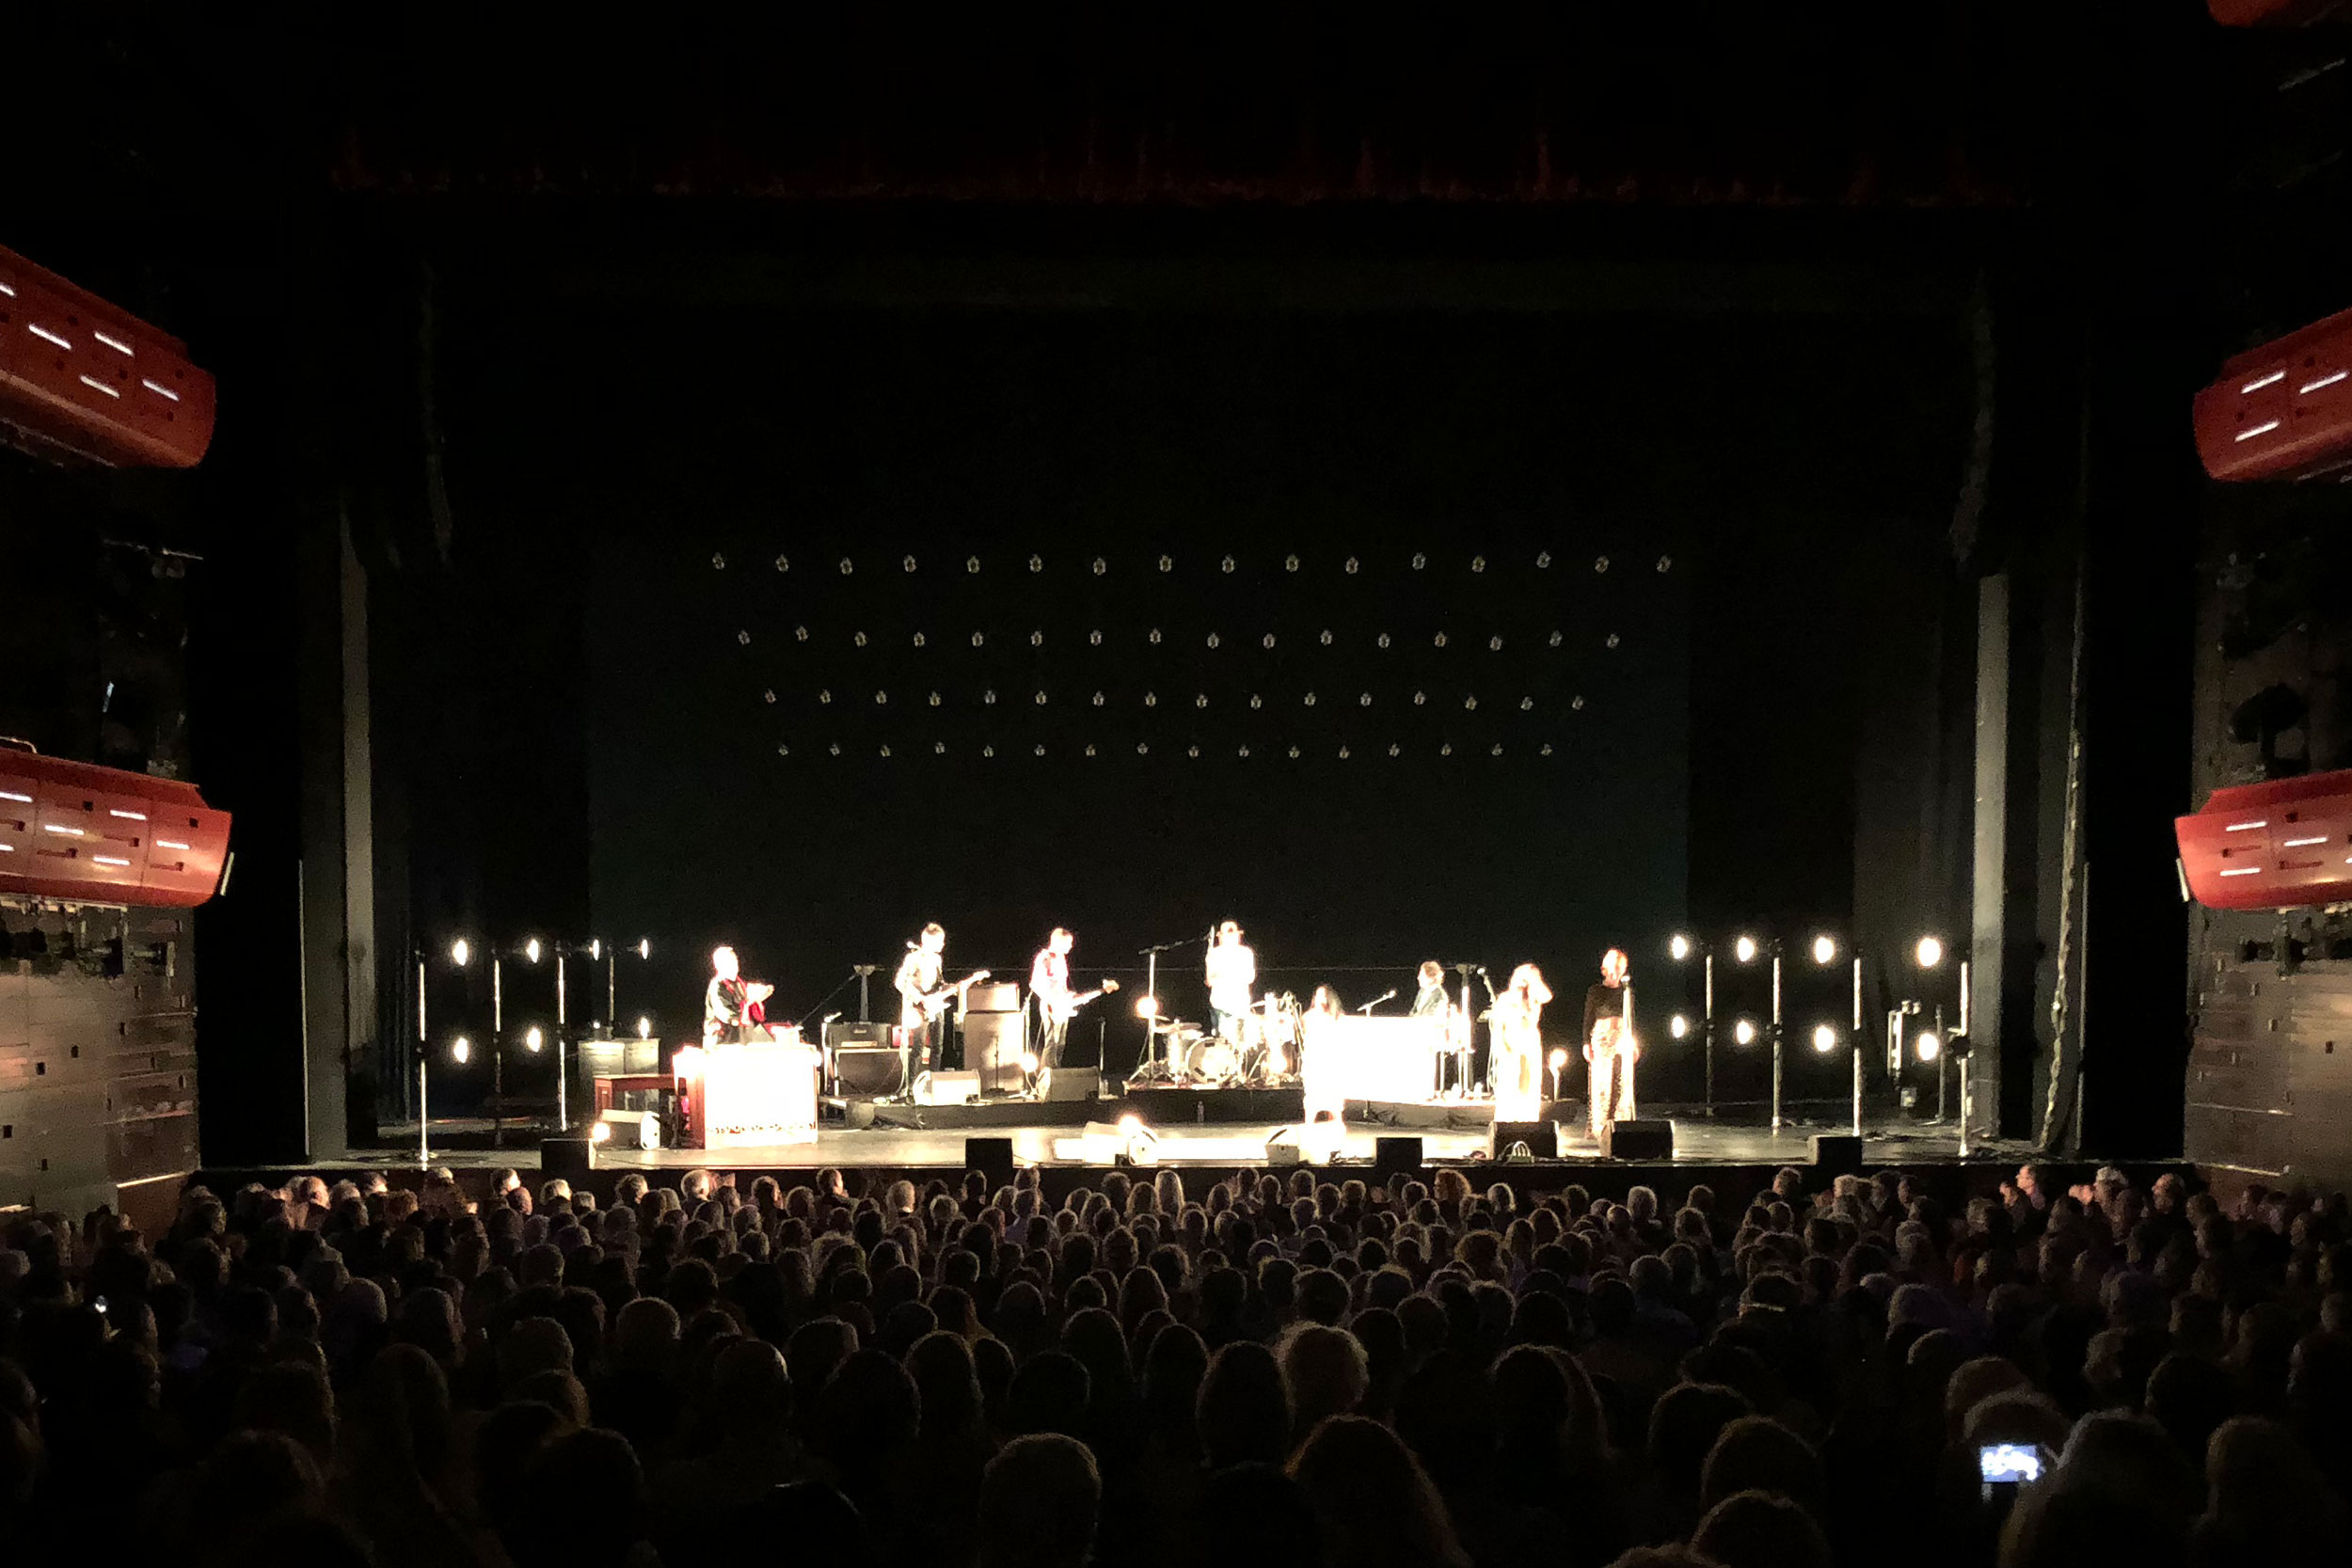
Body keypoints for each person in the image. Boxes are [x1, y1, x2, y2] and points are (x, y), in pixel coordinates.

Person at [1582, 947, 1636, 1140]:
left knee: (1623, 1081)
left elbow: (1631, 1018)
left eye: (1619, 966)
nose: (1616, 970)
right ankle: (1600, 1128)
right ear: (1605, 968)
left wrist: (1634, 1043)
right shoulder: (1596, 991)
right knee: (1602, 1083)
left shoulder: (1627, 992)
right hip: (1602, 1036)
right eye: (1612, 965)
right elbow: (1588, 1018)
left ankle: (1621, 1124)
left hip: (1622, 1036)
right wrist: (1585, 1043)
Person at [1490, 963, 1550, 1123]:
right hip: (1510, 1041)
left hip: (1530, 1041)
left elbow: (1547, 996)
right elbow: (1497, 1024)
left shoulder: (1534, 998)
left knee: (1529, 1082)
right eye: (1521, 978)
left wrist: (1534, 980)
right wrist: (1501, 1044)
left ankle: (1528, 1120)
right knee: (1509, 1081)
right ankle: (1507, 1120)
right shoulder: (1505, 998)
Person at [702, 946, 772, 1045]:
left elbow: (747, 1006)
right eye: (729, 962)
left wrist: (760, 996)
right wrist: (750, 1000)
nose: (734, 965)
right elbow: (729, 1016)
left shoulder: (739, 984)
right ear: (718, 966)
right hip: (722, 1042)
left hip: (740, 1039)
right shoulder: (718, 987)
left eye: (734, 960)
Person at [1030, 927, 1076, 1072]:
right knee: (1051, 1042)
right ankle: (1048, 1077)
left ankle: (1057, 1074)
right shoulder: (1045, 958)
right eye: (1068, 943)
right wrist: (1051, 1001)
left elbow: (1060, 983)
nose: (1071, 946)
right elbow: (1035, 984)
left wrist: (1068, 996)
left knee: (1061, 1042)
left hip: (1062, 1005)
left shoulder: (1061, 958)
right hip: (1051, 1005)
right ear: (1058, 942)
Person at [1206, 921, 1257, 1041]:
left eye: (1234, 934)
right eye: (1227, 935)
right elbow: (1209, 980)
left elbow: (1250, 977)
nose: (1231, 937)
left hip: (1241, 1005)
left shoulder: (1246, 953)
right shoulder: (1214, 954)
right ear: (1221, 936)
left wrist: (1224, 976)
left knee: (1241, 1041)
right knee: (1224, 1042)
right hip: (1220, 1005)